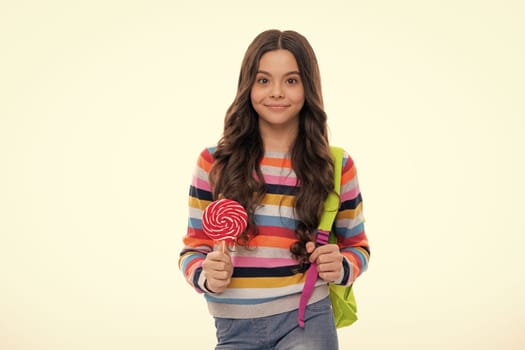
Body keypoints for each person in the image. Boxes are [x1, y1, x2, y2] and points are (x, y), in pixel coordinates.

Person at [179, 29, 370, 350]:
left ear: (308, 87)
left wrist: (341, 266)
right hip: (233, 328)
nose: (277, 92)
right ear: (247, 86)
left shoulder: (336, 165)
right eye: (263, 80)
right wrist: (205, 274)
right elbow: (192, 251)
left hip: (307, 318)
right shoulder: (213, 163)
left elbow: (358, 248)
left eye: (291, 80)